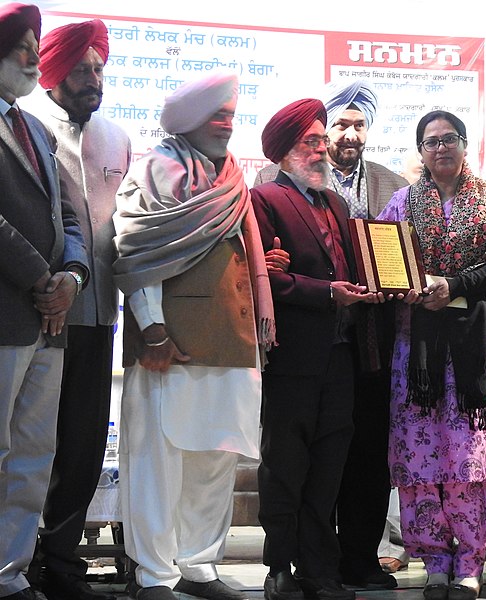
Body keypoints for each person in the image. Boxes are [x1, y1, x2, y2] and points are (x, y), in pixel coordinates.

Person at [112, 72, 275, 600]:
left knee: (214, 457)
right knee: (159, 460)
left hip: (230, 339)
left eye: (230, 117)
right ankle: (156, 574)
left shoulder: (231, 175)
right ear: (189, 122)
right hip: (170, 342)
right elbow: (138, 251)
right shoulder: (156, 168)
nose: (225, 127)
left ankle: (198, 565)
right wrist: (153, 329)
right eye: (216, 117)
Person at [377, 110, 486, 600]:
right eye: (431, 142)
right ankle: (434, 561)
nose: (441, 147)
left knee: (472, 459)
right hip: (417, 350)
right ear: (420, 152)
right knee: (420, 456)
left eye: (451, 139)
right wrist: (399, 288)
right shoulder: (402, 203)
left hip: (478, 347)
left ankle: (469, 563)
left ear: (466, 146)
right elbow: (383, 262)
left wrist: (457, 284)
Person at [255, 81, 406, 589]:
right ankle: (280, 567)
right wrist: (327, 293)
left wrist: (389, 285)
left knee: (328, 471)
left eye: (323, 140)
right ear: (283, 151)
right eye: (311, 142)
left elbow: (358, 266)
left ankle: (321, 570)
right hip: (293, 357)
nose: (322, 149)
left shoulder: (336, 206)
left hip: (344, 358)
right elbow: (262, 278)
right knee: (286, 466)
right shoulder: (263, 199)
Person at [25, 19, 131, 600]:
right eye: (83, 70)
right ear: (54, 72)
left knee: (84, 447)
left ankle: (61, 564)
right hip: (36, 312)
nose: (94, 80)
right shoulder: (29, 129)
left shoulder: (117, 138)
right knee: (31, 445)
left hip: (97, 314)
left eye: (100, 70)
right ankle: (18, 559)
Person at [0, 4, 90, 599]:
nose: (34, 56)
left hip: (50, 320)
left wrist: (74, 277)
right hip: (9, 314)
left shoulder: (36, 129)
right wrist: (41, 277)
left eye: (37, 44)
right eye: (21, 44)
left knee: (34, 452)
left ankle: (9, 574)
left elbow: (67, 216)